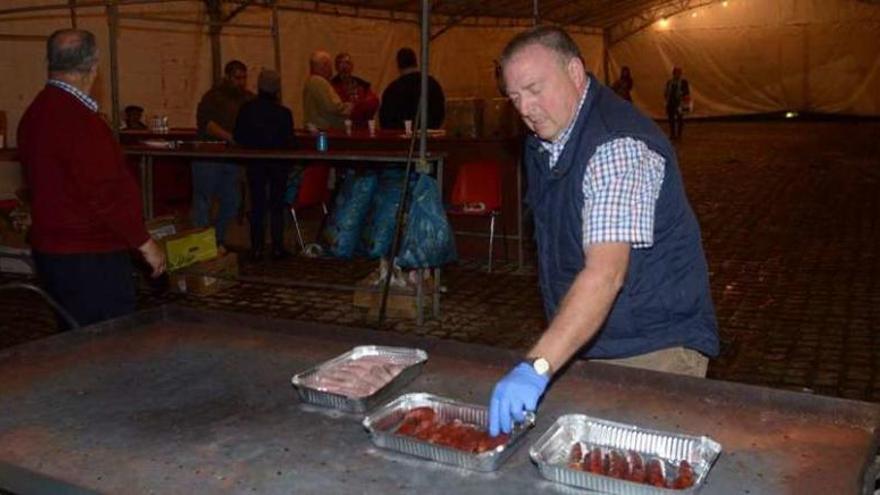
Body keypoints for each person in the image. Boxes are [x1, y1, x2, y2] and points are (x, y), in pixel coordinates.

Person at [488, 27, 719, 437]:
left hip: (652, 348)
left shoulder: (617, 145)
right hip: (593, 341)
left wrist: (537, 365)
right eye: (515, 97)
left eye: (535, 88)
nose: (526, 107)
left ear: (575, 72)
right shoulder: (546, 140)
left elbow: (605, 274)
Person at [17, 29, 166, 328]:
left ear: (51, 62)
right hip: (91, 255)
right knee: (108, 342)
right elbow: (104, 192)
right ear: (94, 66)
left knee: (73, 337)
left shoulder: (34, 113)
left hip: (52, 251)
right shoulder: (81, 123)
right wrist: (144, 242)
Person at [233, 70, 296, 261]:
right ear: (277, 89)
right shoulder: (284, 114)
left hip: (255, 163)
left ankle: (257, 247)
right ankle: (277, 246)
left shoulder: (247, 109)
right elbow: (290, 142)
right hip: (278, 164)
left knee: (257, 204)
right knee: (277, 205)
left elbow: (238, 136)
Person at [193, 60, 254, 248]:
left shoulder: (247, 98)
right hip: (209, 153)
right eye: (238, 78)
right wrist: (230, 137)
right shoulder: (212, 97)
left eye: (244, 78)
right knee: (204, 200)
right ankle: (203, 242)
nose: (241, 82)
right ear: (227, 77)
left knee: (232, 200)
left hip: (231, 156)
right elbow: (206, 123)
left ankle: (217, 238)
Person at [378, 47, 446, 130]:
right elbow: (439, 113)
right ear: (416, 62)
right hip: (427, 137)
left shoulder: (392, 89)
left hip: (399, 140)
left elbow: (385, 120)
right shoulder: (432, 84)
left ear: (398, 64)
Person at [303, 50, 352, 131]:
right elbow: (333, 106)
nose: (331, 70)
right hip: (323, 129)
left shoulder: (310, 81)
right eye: (330, 66)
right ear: (324, 65)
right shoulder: (320, 82)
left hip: (314, 128)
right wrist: (348, 107)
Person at [330, 52, 380, 129]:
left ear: (352, 66)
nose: (344, 66)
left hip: (362, 127)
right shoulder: (331, 86)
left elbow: (374, 102)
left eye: (347, 63)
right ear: (336, 67)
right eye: (340, 63)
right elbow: (335, 108)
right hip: (341, 127)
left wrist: (356, 108)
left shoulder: (362, 84)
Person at [664, 67, 690, 140]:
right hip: (671, 102)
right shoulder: (669, 82)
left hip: (679, 103)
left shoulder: (683, 82)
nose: (677, 74)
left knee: (680, 119)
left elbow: (687, 92)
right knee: (671, 119)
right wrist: (666, 98)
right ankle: (672, 133)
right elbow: (666, 92)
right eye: (676, 73)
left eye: (679, 73)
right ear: (673, 73)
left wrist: (683, 96)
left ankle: (679, 134)